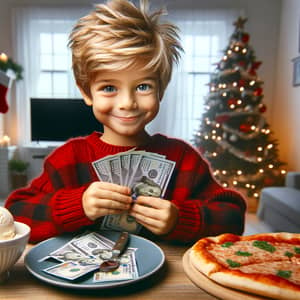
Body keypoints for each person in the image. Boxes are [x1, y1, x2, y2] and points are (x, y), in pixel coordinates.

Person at [5, 0, 246, 243]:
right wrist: (76, 206)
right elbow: (16, 215)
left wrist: (181, 219)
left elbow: (233, 219)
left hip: (168, 278)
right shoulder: (67, 160)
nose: (127, 103)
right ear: (87, 93)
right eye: (109, 87)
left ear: (161, 89)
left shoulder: (184, 160)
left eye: (143, 86)